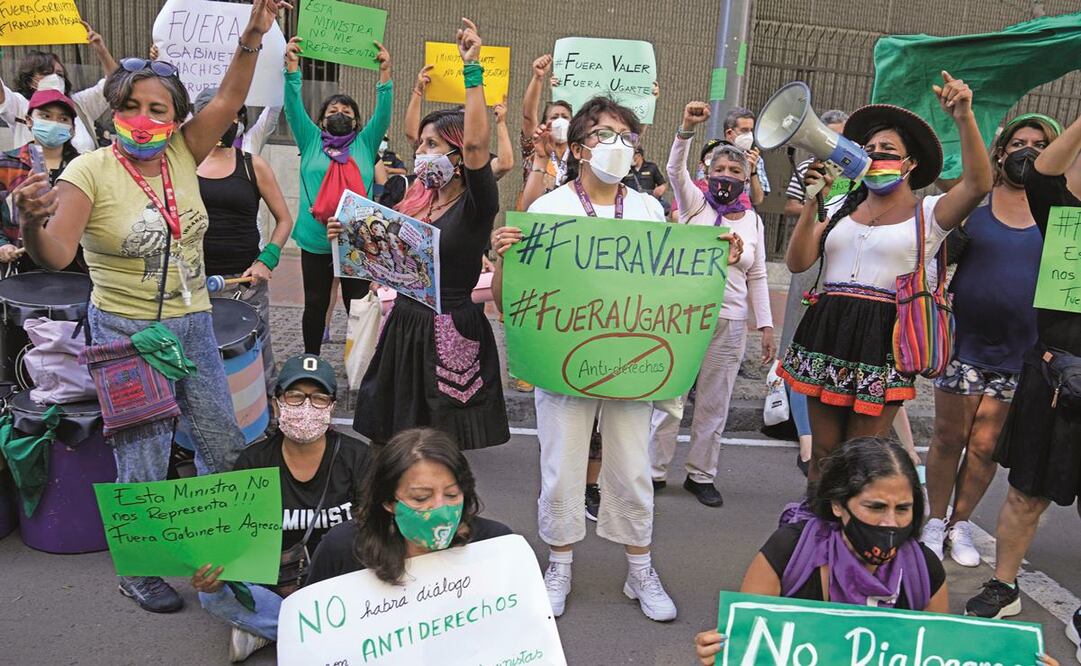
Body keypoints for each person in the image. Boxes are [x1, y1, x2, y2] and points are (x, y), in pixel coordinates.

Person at [12, 0, 290, 614]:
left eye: (156, 108)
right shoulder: (87, 171)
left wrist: (250, 38)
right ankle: (138, 570)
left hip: (192, 323)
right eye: (129, 106)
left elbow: (228, 95)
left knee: (223, 443)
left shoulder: (185, 153)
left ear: (175, 119)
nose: (141, 118)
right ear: (113, 113)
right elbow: (57, 253)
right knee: (143, 453)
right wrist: (30, 227)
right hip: (126, 332)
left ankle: (236, 555)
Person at [490, 96, 743, 623]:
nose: (619, 146)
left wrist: (719, 258)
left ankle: (640, 567)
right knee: (562, 465)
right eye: (607, 135)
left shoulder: (650, 208)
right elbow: (506, 297)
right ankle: (559, 563)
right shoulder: (548, 210)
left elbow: (674, 283)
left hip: (634, 364)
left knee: (630, 468)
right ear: (580, 147)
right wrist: (503, 258)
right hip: (564, 359)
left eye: (627, 137)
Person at [777, 71, 993, 480]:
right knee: (822, 453)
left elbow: (979, 183)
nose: (875, 155)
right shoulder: (841, 204)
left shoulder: (929, 214)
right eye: (869, 148)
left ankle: (855, 534)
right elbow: (798, 262)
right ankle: (820, 532)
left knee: (861, 455)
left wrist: (964, 116)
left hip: (883, 335)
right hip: (827, 327)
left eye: (887, 149)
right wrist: (813, 203)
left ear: (910, 164)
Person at [694, 437, 1060, 666]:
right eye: (875, 507)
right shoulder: (789, 551)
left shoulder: (924, 571)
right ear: (838, 505)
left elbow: (940, 655)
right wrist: (720, 654)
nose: (890, 523)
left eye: (903, 509)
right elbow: (750, 647)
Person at [328, 18, 509, 451]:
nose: (421, 153)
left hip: (451, 326)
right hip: (404, 325)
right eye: (421, 144)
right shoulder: (415, 198)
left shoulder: (476, 204)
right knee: (390, 440)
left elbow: (478, 148)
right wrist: (348, 235)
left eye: (432, 144)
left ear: (458, 152)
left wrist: (472, 70)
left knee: (438, 446)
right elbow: (383, 256)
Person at [921, 113, 1059, 568]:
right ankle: (934, 520)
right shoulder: (975, 205)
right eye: (1019, 143)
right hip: (965, 344)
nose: (1028, 152)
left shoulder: (1060, 216)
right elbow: (935, 254)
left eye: (1041, 145)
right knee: (948, 438)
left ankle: (961, 523)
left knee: (984, 447)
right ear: (1001, 152)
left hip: (1022, 352)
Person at [963, 111, 1081, 637]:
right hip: (1054, 372)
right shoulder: (1061, 213)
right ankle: (1003, 586)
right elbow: (1042, 175)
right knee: (1025, 490)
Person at [191, 354, 370, 662]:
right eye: (295, 396)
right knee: (212, 595)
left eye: (318, 398)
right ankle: (328, 637)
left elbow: (375, 532)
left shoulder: (358, 458)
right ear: (276, 403)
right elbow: (234, 541)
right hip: (275, 585)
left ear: (332, 407)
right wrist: (214, 571)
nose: (306, 406)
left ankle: (268, 631)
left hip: (340, 584)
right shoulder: (253, 462)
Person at [649, 102, 774, 507]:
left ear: (747, 177)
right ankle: (654, 470)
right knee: (669, 400)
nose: (726, 177)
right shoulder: (694, 206)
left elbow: (757, 275)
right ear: (707, 174)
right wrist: (685, 130)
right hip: (683, 318)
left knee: (714, 403)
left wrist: (766, 326)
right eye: (719, 170)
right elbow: (673, 171)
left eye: (735, 172)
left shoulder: (752, 221)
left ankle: (701, 474)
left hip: (731, 322)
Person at [282, 35, 392, 356]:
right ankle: (311, 360)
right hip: (316, 239)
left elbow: (384, 112)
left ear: (357, 121)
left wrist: (385, 73)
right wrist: (292, 68)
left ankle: (360, 366)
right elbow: (292, 105)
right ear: (320, 120)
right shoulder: (310, 139)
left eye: (346, 109)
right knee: (315, 303)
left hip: (358, 240)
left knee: (356, 305)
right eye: (333, 108)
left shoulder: (366, 142)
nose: (339, 111)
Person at [306, 426, 512, 585]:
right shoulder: (343, 549)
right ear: (388, 501)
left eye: (451, 494)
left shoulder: (494, 544)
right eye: (421, 498)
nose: (440, 508)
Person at [195, 87, 294, 395]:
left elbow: (284, 219)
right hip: (192, 284)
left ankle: (265, 422)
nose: (226, 121)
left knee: (254, 358)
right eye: (215, 113)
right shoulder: (179, 164)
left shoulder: (253, 165)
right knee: (198, 361)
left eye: (233, 114)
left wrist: (268, 259)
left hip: (245, 284)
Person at [0, 88, 85, 273]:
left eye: (63, 119)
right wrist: (3, 245)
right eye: (45, 116)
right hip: (20, 271)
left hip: (75, 271)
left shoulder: (84, 167)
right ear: (29, 121)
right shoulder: (5, 164)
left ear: (72, 129)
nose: (54, 123)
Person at [0, 22, 117, 154]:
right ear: (29, 79)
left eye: (59, 74)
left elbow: (114, 84)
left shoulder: (79, 104)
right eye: (46, 73)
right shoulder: (19, 105)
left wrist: (101, 50)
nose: (54, 78)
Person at [404, 65, 513, 180]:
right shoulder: (431, 152)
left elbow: (504, 164)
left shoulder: (477, 163)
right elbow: (412, 135)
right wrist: (418, 91)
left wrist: (501, 123)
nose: (420, 150)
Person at [723, 107, 770, 207]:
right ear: (729, 133)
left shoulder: (756, 160)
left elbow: (757, 200)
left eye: (750, 130)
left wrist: (752, 172)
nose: (749, 135)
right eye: (744, 130)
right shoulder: (712, 157)